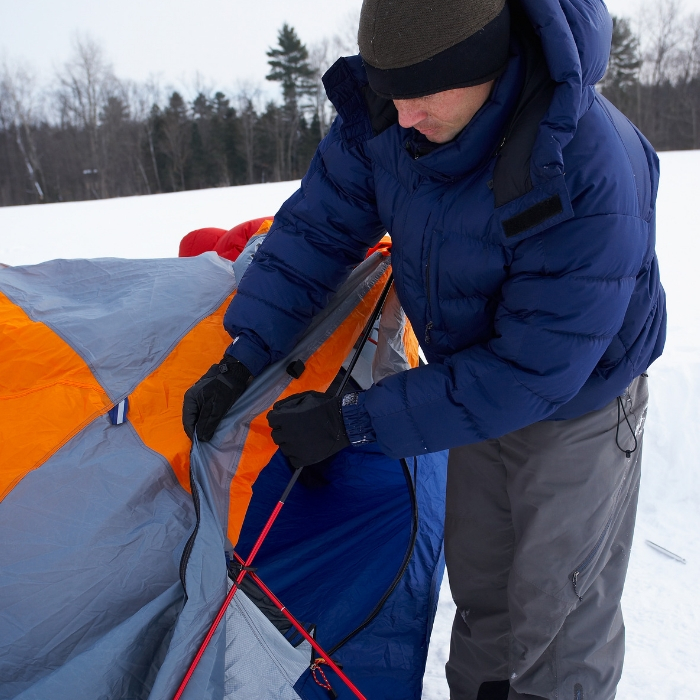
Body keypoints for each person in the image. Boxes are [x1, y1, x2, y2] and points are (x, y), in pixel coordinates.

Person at [183, 0, 666, 697]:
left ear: (486, 66)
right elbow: (316, 235)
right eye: (392, 92)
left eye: (421, 94)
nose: (403, 115)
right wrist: (243, 355)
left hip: (580, 406)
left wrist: (355, 422)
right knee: (484, 588)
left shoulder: (584, 163)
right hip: (466, 384)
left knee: (553, 616)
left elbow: (533, 371)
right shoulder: (389, 116)